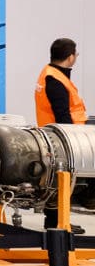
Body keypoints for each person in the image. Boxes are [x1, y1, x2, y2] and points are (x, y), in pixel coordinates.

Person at [33, 38, 94, 222]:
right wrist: (73, 139)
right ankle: (57, 223)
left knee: (58, 181)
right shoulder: (55, 78)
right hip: (63, 137)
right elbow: (62, 113)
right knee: (60, 182)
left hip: (58, 134)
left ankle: (58, 222)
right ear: (70, 57)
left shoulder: (51, 73)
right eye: (76, 54)